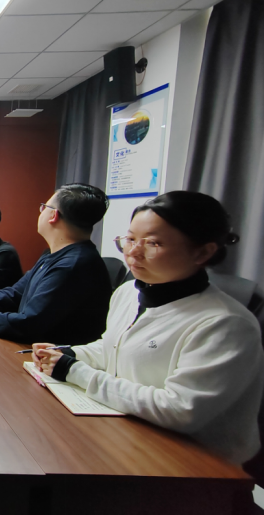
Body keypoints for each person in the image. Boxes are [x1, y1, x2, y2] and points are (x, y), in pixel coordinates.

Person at [33, 191, 264, 464]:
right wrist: (69, 353)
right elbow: (113, 346)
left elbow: (180, 410)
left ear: (203, 252)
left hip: (195, 465)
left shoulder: (225, 324)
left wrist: (75, 371)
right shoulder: (129, 292)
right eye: (130, 239)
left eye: (153, 243)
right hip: (128, 435)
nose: (133, 252)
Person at [0, 183, 111, 344]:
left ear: (53, 215)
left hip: (47, 354)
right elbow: (15, 294)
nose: (40, 212)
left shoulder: (73, 265)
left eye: (44, 207)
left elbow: (28, 323)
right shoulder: (52, 255)